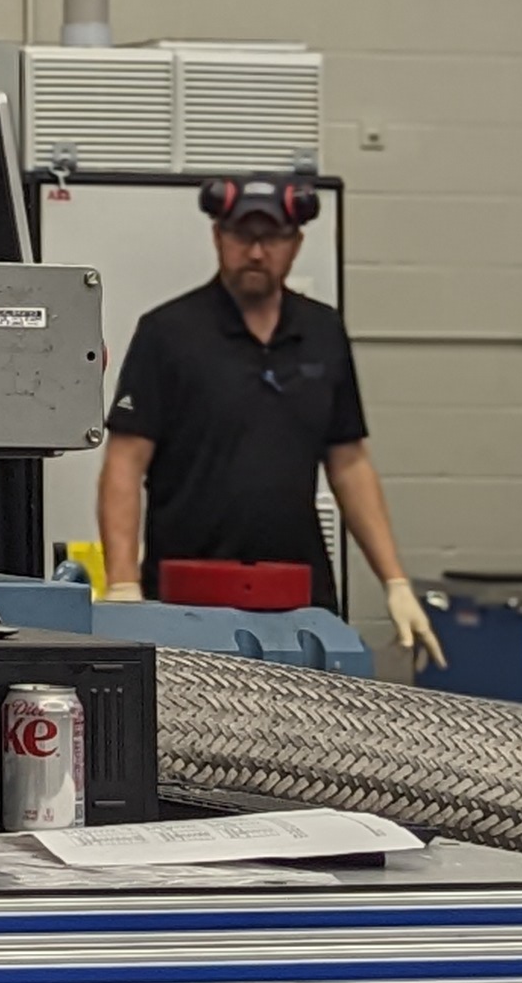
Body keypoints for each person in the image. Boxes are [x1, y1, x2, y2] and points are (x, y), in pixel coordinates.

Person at [96, 176, 442, 673]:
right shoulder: (167, 332)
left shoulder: (323, 332)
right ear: (218, 237)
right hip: (187, 600)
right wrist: (124, 586)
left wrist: (395, 583)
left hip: (300, 601)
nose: (256, 253)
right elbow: (125, 465)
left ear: (296, 244)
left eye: (272, 238)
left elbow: (349, 462)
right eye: (242, 236)